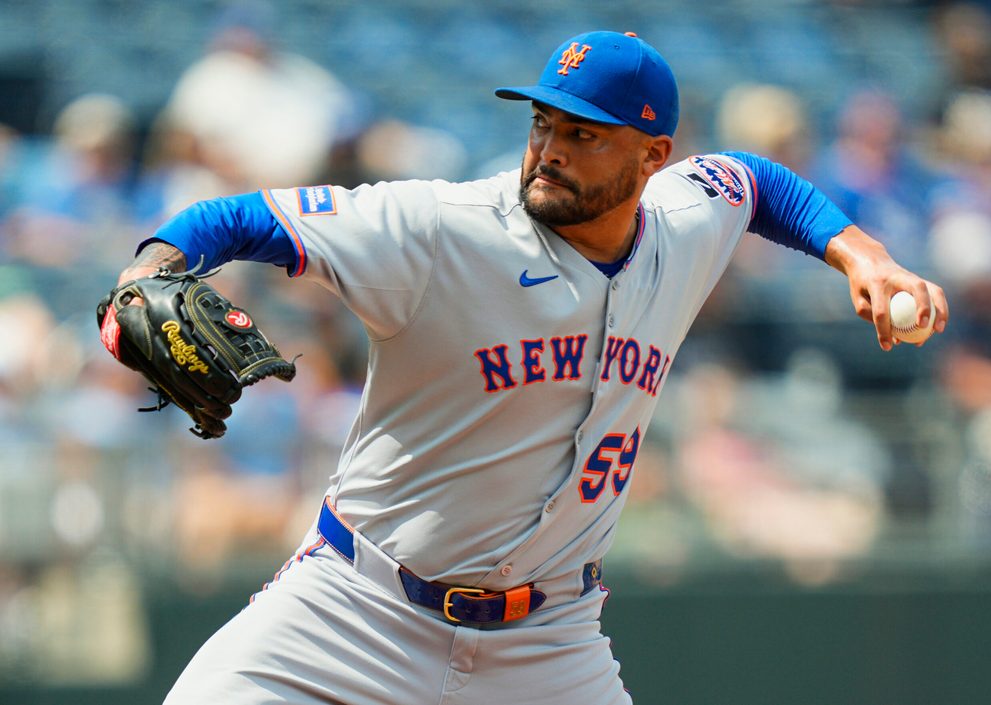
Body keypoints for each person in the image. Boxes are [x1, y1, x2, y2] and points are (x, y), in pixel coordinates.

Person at [108, 31, 947, 705]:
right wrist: (143, 276)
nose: (550, 148)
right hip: (354, 613)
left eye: (583, 133)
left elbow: (759, 185)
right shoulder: (441, 229)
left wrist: (860, 252)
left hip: (550, 643)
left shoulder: (688, 219)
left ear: (653, 158)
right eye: (542, 122)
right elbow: (237, 216)